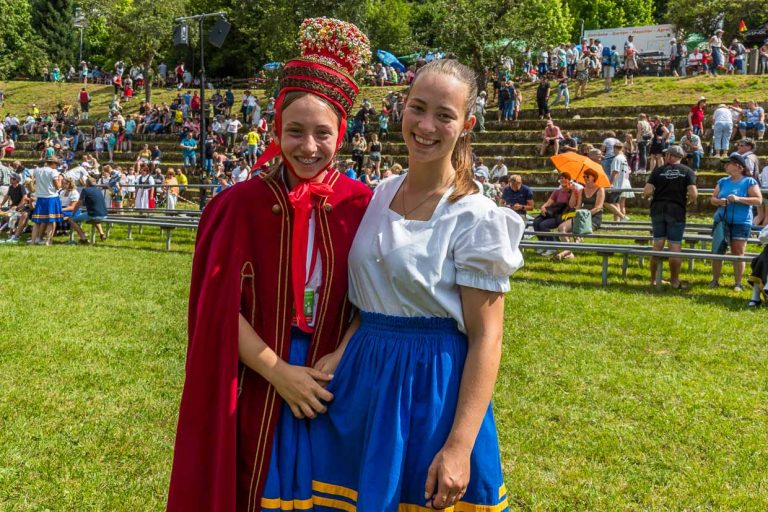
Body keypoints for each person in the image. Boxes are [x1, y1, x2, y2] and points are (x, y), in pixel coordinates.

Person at [167, 18, 373, 511]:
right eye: (294, 131)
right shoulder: (237, 205)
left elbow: (379, 297)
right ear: (275, 130)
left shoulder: (363, 204)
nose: (308, 146)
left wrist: (339, 358)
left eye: (322, 133)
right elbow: (215, 310)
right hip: (258, 376)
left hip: (334, 378)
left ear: (341, 134)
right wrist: (279, 372)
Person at [309, 57, 522, 511]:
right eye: (418, 108)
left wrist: (460, 446)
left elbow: (488, 337)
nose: (426, 125)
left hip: (432, 387)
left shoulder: (476, 216)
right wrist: (343, 351)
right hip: (362, 379)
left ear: (466, 124)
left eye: (444, 115)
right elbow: (370, 299)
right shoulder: (379, 193)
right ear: (401, 108)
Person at [642, 146, 698, 288]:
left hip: (658, 209)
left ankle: (654, 279)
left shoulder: (658, 170)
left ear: (670, 155)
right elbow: (693, 193)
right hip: (676, 210)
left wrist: (649, 197)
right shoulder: (687, 171)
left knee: (658, 245)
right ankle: (674, 281)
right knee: (674, 246)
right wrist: (689, 202)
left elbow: (647, 191)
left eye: (666, 154)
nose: (665, 156)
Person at [710, 153, 763, 291]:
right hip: (721, 221)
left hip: (741, 222)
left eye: (729, 163)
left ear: (739, 167)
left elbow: (758, 200)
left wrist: (738, 199)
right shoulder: (722, 181)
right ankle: (715, 280)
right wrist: (720, 202)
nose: (725, 165)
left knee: (738, 252)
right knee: (717, 250)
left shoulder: (749, 182)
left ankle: (738, 283)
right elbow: (713, 199)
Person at [554, 167, 605, 260]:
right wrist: (574, 192)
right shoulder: (582, 190)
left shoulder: (600, 189)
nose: (585, 178)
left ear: (593, 177)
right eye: (584, 176)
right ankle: (569, 253)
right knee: (562, 228)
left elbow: (598, 207)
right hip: (581, 215)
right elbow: (575, 206)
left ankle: (564, 253)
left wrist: (585, 214)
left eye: (587, 176)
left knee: (579, 232)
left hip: (593, 217)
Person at [533, 173, 579, 251]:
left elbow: (572, 205)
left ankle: (554, 245)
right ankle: (543, 243)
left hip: (563, 215)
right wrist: (543, 207)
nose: (562, 180)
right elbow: (549, 202)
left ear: (569, 180)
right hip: (554, 213)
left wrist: (573, 192)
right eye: (561, 178)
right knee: (536, 222)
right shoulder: (557, 191)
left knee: (543, 225)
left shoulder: (573, 191)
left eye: (565, 178)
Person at [29, 156, 63, 245]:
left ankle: (33, 241)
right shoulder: (53, 172)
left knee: (37, 222)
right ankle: (48, 241)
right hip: (51, 197)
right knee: (51, 221)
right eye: (56, 164)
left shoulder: (37, 170)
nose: (57, 166)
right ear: (53, 163)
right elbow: (58, 187)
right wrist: (60, 178)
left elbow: (32, 180)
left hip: (40, 198)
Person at [68, 176, 108, 243]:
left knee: (71, 220)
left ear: (87, 184)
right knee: (95, 215)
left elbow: (78, 204)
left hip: (94, 214)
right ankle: (102, 234)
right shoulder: (98, 190)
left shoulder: (85, 190)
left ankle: (83, 238)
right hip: (104, 214)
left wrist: (73, 214)